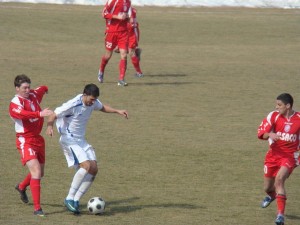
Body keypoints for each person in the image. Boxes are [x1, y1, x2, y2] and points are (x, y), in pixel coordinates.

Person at [46, 83, 128, 214]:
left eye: (95, 100)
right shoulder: (73, 104)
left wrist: (117, 111)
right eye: (91, 100)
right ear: (85, 95)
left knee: (94, 169)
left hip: (81, 140)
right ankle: (69, 198)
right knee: (86, 166)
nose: (93, 102)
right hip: (69, 139)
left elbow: (102, 107)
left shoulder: (93, 102)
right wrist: (49, 126)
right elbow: (54, 114)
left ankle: (76, 200)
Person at [9, 74, 53, 216]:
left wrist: (45, 88)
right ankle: (37, 209)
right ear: (17, 88)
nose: (28, 90)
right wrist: (40, 113)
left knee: (41, 173)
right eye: (24, 88)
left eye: (28, 87)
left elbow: (41, 89)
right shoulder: (15, 103)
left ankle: (21, 187)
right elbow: (23, 114)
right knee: (36, 172)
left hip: (38, 140)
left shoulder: (33, 94)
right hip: (25, 140)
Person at [257, 93, 300, 225]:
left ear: (288, 106)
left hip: (290, 156)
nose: (276, 107)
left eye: (279, 105)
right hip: (273, 155)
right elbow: (260, 134)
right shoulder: (273, 116)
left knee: (279, 180)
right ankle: (272, 196)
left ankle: (280, 215)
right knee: (268, 188)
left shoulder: (299, 119)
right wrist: (270, 134)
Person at [97, 0, 132, 87]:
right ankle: (101, 70)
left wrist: (127, 17)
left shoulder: (128, 2)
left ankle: (121, 79)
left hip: (123, 32)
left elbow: (129, 17)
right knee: (108, 55)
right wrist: (118, 17)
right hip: (111, 32)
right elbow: (104, 14)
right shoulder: (113, 1)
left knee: (124, 55)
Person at [114, 7, 143, 78]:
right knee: (117, 49)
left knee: (131, 52)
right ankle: (136, 52)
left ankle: (139, 73)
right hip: (124, 32)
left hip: (132, 33)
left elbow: (132, 21)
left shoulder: (129, 9)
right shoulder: (118, 7)